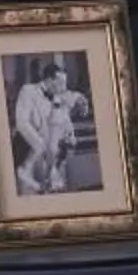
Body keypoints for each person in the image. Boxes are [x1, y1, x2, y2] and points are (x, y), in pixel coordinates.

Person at [12, 58, 85, 194]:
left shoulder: (59, 99)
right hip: (29, 154)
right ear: (49, 81)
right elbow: (21, 122)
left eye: (65, 83)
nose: (64, 87)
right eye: (61, 83)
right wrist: (39, 144)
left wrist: (70, 136)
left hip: (51, 161)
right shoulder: (28, 91)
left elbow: (64, 122)